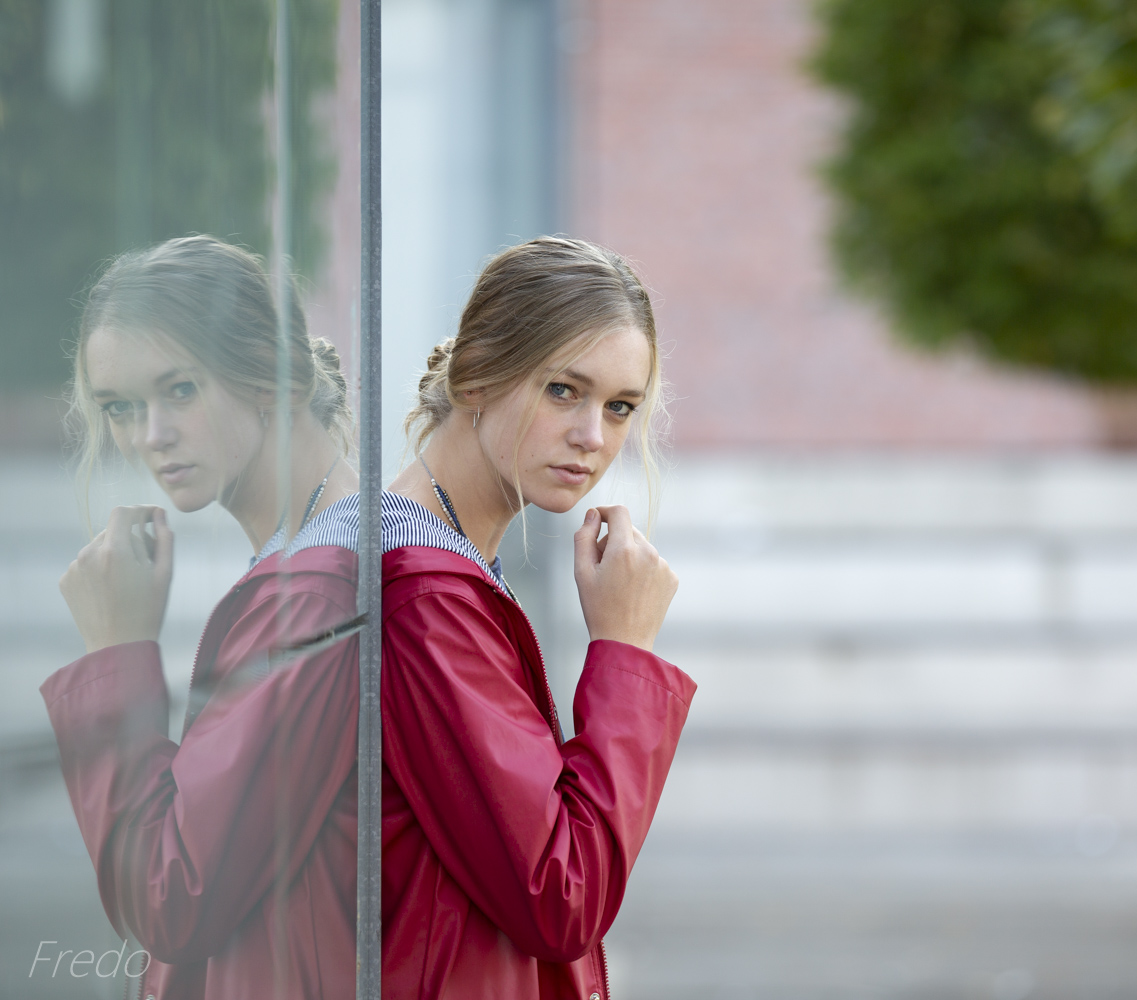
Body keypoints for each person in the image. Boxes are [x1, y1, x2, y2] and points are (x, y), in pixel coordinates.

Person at [43, 235, 361, 999]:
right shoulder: (314, 566)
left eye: (179, 390)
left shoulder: (316, 596)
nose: (148, 436)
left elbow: (170, 894)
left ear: (273, 376)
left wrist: (116, 653)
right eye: (121, 408)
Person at [382, 236, 695, 999]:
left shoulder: (442, 568)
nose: (594, 437)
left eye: (620, 407)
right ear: (476, 374)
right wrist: (626, 652)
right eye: (563, 390)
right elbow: (562, 895)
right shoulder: (424, 597)